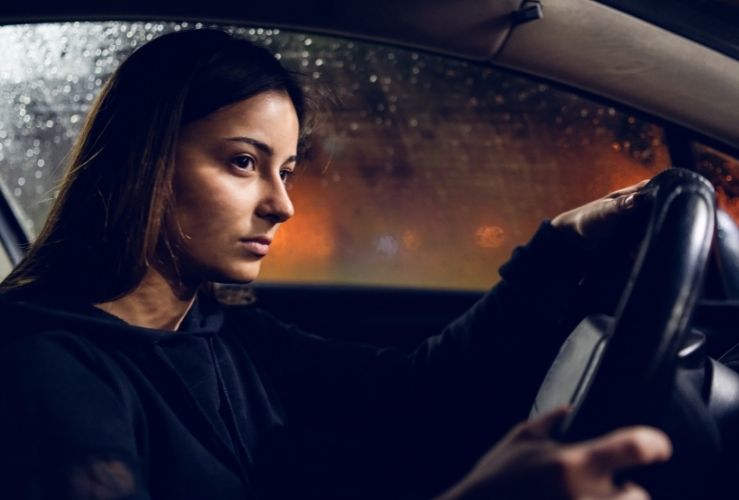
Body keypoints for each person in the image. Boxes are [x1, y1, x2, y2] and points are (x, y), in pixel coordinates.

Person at [0, 29, 671, 499]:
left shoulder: (218, 332)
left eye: (286, 170)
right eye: (243, 163)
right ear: (142, 165)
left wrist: (559, 242)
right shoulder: (48, 365)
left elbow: (417, 390)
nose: (282, 204)